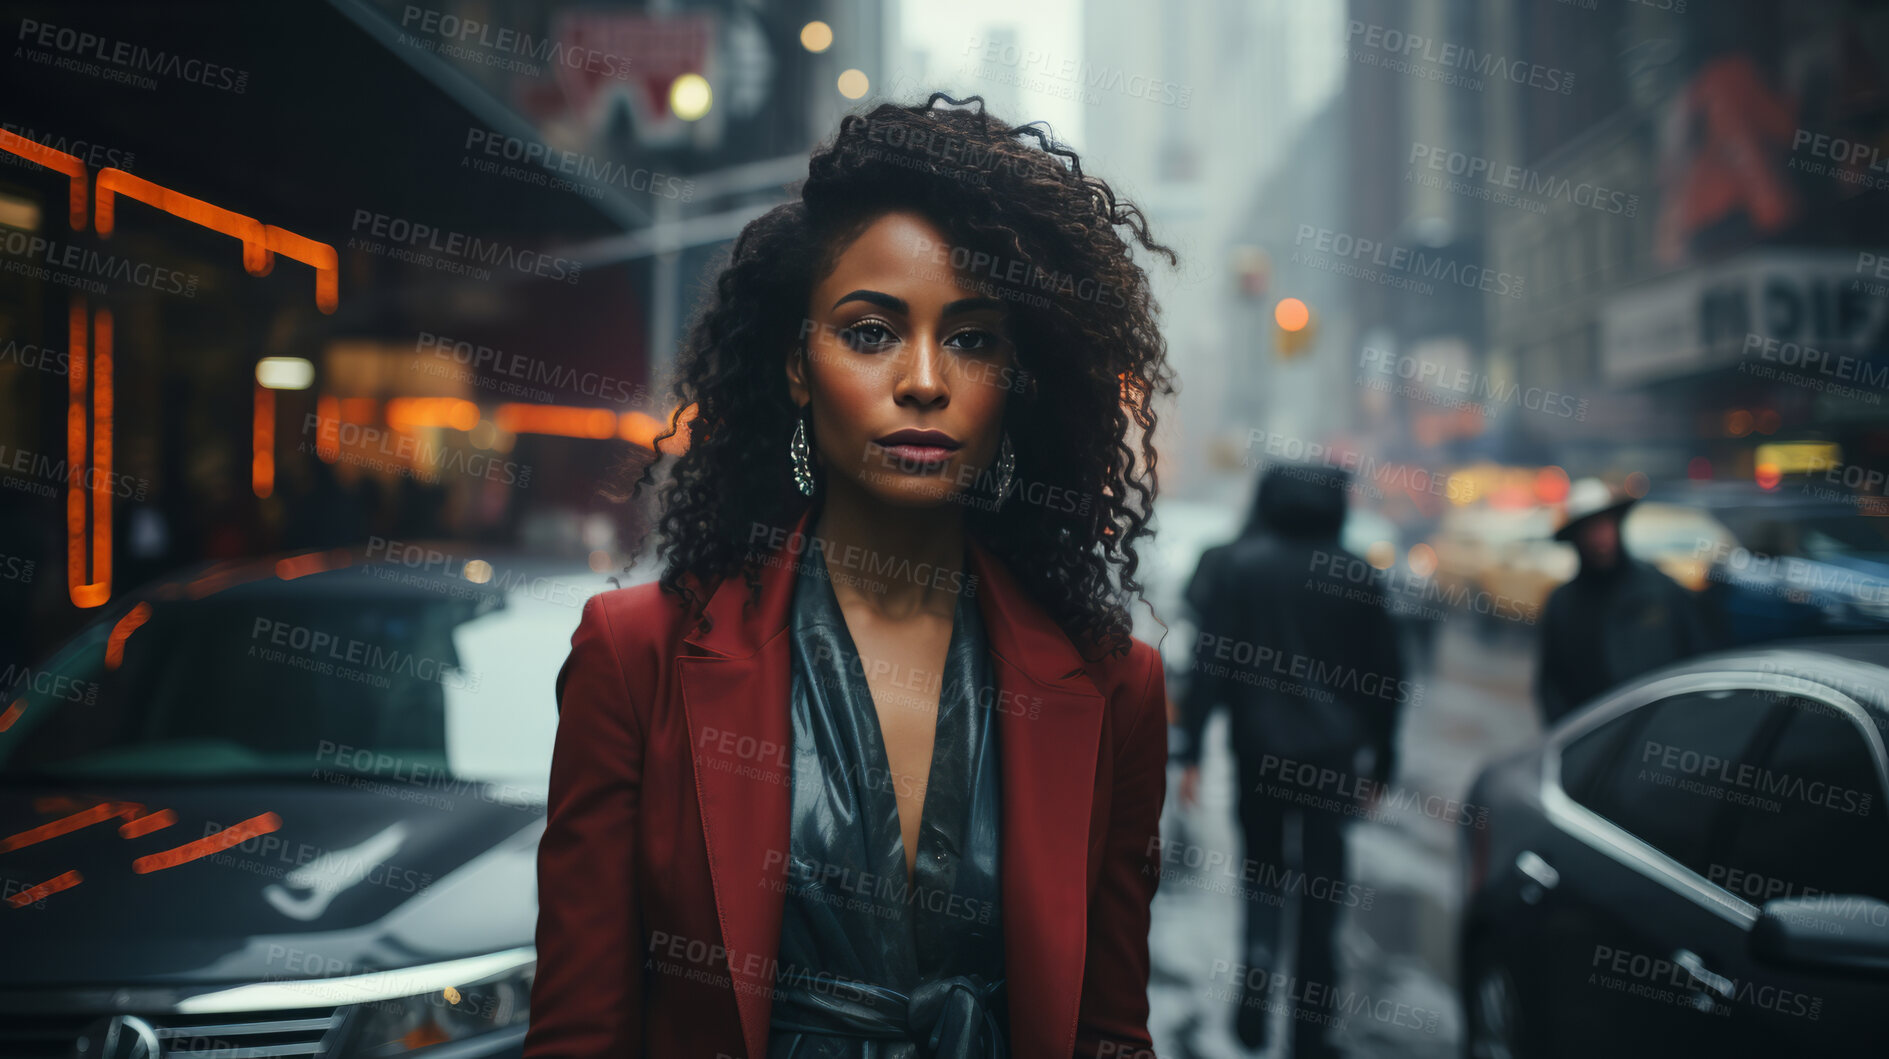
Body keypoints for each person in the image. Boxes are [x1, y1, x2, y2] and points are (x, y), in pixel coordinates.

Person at [526, 93, 1178, 1059]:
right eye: (871, 331)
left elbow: (1111, 1034)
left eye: (971, 337)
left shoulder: (1114, 686)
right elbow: (582, 1031)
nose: (923, 378)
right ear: (797, 364)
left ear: (1018, 379)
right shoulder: (635, 659)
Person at [1174, 466, 1406, 1059]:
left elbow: (1211, 664)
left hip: (1258, 753)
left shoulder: (1242, 568)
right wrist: (1383, 760)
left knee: (1264, 877)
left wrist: (1194, 748)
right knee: (1323, 892)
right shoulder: (1357, 574)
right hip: (1332, 762)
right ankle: (1311, 1029)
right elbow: (1386, 677)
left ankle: (1254, 990)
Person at [1534, 478, 1711, 727]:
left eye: (1604, 525)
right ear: (1576, 538)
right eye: (1590, 529)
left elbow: (1699, 661)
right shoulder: (1562, 603)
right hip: (1595, 740)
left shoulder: (1661, 591)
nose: (1600, 538)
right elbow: (1551, 684)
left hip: (1662, 731)